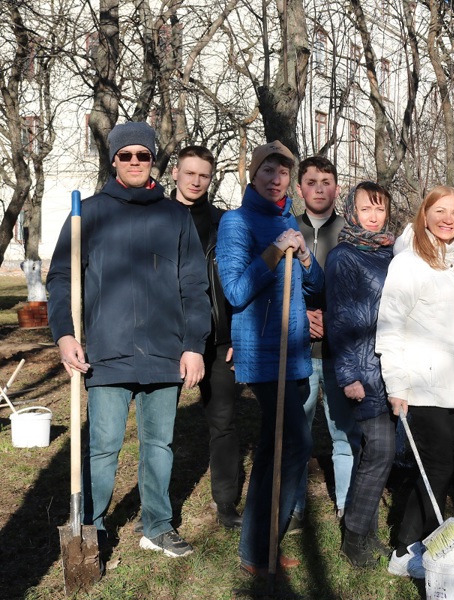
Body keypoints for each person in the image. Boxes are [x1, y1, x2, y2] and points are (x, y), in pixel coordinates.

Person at [47, 121, 210, 559]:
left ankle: (156, 525)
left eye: (143, 155)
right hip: (106, 353)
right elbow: (61, 278)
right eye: (126, 155)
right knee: (102, 449)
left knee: (159, 444)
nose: (135, 162)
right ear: (114, 160)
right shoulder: (91, 213)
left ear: (153, 160)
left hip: (164, 352)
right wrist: (64, 335)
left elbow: (195, 286)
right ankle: (92, 526)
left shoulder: (174, 216)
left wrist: (194, 343)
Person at [216, 141, 324, 576]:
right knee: (295, 443)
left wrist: (305, 257)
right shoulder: (236, 222)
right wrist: (273, 252)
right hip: (263, 354)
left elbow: (314, 290)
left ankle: (256, 551)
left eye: (283, 173)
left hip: (294, 352)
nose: (276, 179)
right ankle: (260, 549)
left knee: (273, 449)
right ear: (254, 175)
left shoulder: (288, 222)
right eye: (268, 171)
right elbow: (236, 291)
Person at [376, 185, 454, 579]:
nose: (448, 219)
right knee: (435, 467)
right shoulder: (408, 263)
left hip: (452, 388)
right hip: (419, 386)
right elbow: (389, 327)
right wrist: (396, 385)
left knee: (437, 467)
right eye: (439, 211)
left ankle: (416, 541)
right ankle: (405, 551)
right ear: (424, 215)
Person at [170, 145, 241, 530]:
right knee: (160, 429)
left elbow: (236, 280)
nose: (196, 181)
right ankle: (158, 509)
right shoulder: (158, 217)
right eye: (189, 173)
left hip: (219, 339)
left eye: (204, 175)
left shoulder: (223, 223)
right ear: (175, 174)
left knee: (224, 422)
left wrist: (236, 334)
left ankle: (226, 503)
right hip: (168, 338)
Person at [326, 182, 396, 567]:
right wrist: (349, 375)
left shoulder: (391, 254)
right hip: (365, 371)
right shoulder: (344, 257)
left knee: (380, 453)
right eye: (366, 209)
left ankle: (365, 531)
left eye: (380, 209)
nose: (373, 216)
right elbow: (339, 319)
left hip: (394, 369)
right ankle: (354, 538)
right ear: (352, 212)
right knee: (380, 451)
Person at [291, 155, 361, 529]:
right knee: (297, 431)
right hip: (298, 351)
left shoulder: (349, 233)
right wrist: (301, 317)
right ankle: (295, 505)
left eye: (327, 182)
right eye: (312, 181)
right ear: (300, 188)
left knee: (344, 432)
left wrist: (330, 320)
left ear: (337, 188)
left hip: (339, 352)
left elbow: (359, 294)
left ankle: (347, 507)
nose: (319, 188)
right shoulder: (287, 231)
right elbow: (271, 288)